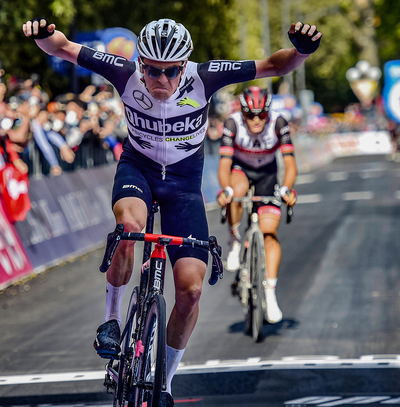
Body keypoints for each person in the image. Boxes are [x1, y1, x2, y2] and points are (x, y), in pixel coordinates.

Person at [23, 17, 321, 406]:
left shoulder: (207, 76)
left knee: (192, 290)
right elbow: (62, 47)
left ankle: (165, 382)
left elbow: (274, 66)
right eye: (151, 70)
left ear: (185, 66)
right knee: (130, 227)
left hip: (183, 186)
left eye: (170, 72)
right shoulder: (123, 71)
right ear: (140, 63)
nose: (160, 81)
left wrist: (301, 51)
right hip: (139, 170)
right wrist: (43, 36)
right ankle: (111, 321)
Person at [217, 86, 297, 324]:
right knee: (237, 191)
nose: (255, 120)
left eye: (261, 114)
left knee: (269, 232)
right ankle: (234, 238)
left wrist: (286, 189)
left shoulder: (279, 123)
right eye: (249, 115)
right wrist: (226, 190)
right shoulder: (232, 124)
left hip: (267, 175)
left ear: (268, 113)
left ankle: (270, 294)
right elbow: (224, 165)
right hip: (241, 170)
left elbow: (290, 164)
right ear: (241, 113)